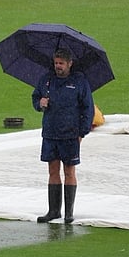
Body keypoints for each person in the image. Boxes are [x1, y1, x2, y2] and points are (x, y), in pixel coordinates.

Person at [32, 46, 94, 224]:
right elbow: (35, 98)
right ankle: (53, 211)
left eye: (61, 63)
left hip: (70, 135)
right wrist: (40, 103)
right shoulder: (46, 80)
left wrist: (82, 132)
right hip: (50, 133)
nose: (58, 66)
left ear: (70, 64)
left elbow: (87, 108)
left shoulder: (79, 81)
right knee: (52, 171)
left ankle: (69, 213)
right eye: (56, 63)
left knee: (69, 171)